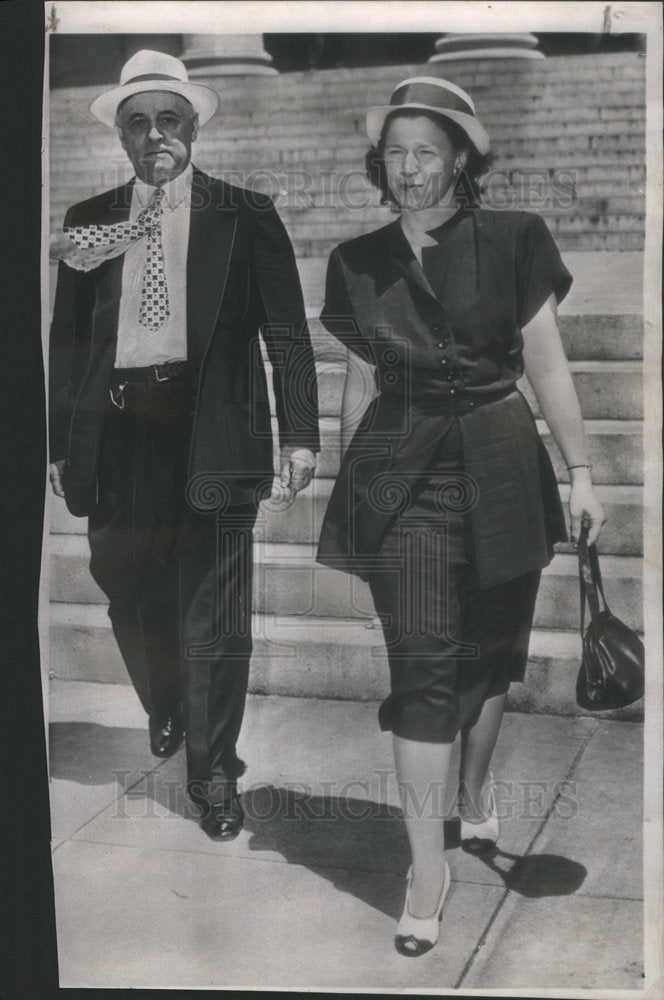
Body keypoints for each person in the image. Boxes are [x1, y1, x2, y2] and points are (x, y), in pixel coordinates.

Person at [317, 77, 604, 956]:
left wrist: (584, 471)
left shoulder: (516, 237)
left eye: (427, 152)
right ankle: (427, 869)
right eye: (396, 152)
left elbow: (547, 366)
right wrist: (350, 492)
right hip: (404, 482)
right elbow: (360, 385)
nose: (409, 169)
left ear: (462, 160)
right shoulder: (356, 260)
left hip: (504, 467)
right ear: (381, 162)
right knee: (423, 674)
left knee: (489, 661)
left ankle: (475, 803)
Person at [49, 50, 319, 841]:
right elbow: (67, 341)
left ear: (193, 128)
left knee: (216, 608)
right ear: (122, 139)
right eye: (138, 123)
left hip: (215, 435)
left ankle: (211, 770)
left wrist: (299, 434)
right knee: (124, 581)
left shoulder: (246, 213)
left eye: (169, 120)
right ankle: (166, 703)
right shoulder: (86, 220)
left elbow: (288, 336)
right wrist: (60, 444)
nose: (154, 135)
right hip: (120, 431)